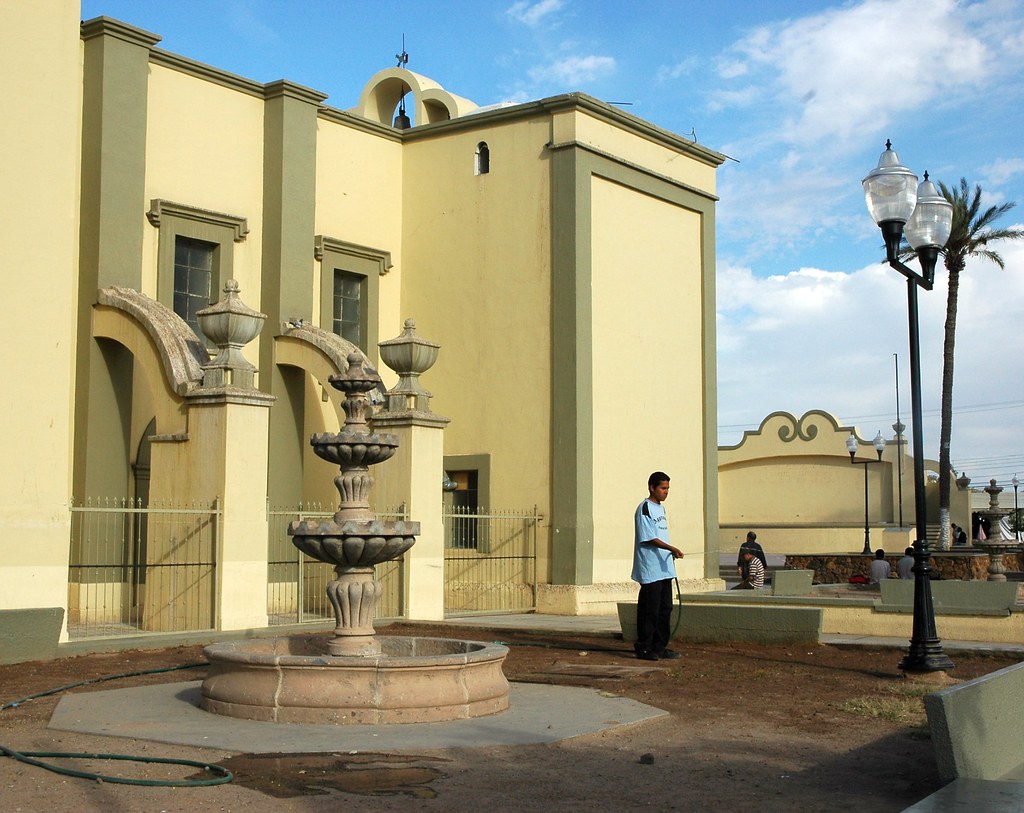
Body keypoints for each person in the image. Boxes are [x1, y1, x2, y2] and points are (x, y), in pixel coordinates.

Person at [632, 471, 684, 661]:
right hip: (651, 568)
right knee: (649, 610)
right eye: (663, 488)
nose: (666, 492)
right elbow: (649, 537)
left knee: (665, 609)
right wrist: (672, 548)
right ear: (652, 487)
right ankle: (644, 647)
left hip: (664, 568)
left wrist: (670, 553)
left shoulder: (661, 509)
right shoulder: (644, 508)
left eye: (668, 488)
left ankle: (659, 646)